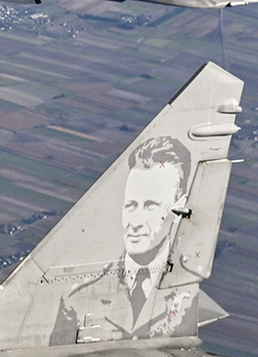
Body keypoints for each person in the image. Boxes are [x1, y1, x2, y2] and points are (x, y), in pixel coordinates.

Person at [54, 136, 197, 343]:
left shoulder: (186, 300)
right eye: (131, 205)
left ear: (179, 206)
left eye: (150, 206)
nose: (135, 222)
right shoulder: (75, 300)